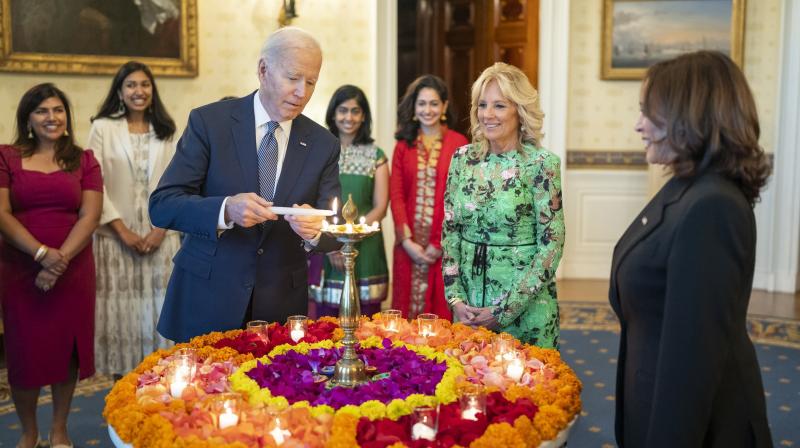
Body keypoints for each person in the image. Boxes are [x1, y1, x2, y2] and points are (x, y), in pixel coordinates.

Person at [609, 51, 773, 447]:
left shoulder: (711, 207)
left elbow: (692, 365)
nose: (638, 126)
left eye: (649, 113)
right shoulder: (687, 189)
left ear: (690, 118)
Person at [149, 26, 341, 343]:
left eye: (311, 82)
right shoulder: (210, 123)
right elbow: (163, 205)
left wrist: (317, 231)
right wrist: (225, 209)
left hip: (279, 307)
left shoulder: (323, 144)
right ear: (263, 70)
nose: (302, 92)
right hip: (208, 295)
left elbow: (337, 227)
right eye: (293, 78)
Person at [0, 83, 103, 448]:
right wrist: (42, 254)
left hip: (73, 268)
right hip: (19, 267)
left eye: (58, 110)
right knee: (24, 352)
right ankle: (29, 432)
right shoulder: (6, 157)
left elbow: (90, 216)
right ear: (28, 117)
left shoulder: (84, 159)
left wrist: (58, 262)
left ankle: (59, 429)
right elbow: (1, 213)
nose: (52, 117)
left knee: (67, 351)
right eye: (42, 110)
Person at [440, 63, 564, 348]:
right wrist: (456, 299)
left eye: (499, 106)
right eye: (482, 105)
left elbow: (552, 244)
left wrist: (505, 311)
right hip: (469, 307)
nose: (488, 115)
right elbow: (450, 233)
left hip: (525, 308)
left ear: (519, 111)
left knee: (526, 389)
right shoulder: (462, 159)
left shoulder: (541, 164)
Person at [88, 61, 179, 376]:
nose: (138, 91)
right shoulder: (102, 127)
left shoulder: (166, 131)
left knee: (160, 319)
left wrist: (159, 230)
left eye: (145, 84)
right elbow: (93, 182)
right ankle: (121, 395)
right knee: (122, 320)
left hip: (162, 240)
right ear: (120, 91)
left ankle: (163, 393)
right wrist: (122, 230)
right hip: (116, 241)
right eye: (131, 85)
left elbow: (177, 182)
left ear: (152, 90)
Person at [389, 75, 468, 320]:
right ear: (413, 107)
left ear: (444, 106)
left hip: (444, 248)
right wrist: (407, 241)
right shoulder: (403, 145)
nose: (427, 110)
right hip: (408, 248)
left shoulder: (460, 144)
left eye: (434, 103)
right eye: (421, 104)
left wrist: (438, 243)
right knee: (405, 318)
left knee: (441, 314)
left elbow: (458, 197)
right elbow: (397, 194)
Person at [313, 85, 389, 317]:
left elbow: (381, 207)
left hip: (365, 245)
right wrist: (331, 245)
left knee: (366, 322)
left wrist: (352, 236)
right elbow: (311, 201)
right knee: (325, 323)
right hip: (326, 243)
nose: (349, 117)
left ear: (364, 115)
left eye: (355, 111)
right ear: (333, 114)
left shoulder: (376, 155)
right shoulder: (319, 151)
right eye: (343, 110)